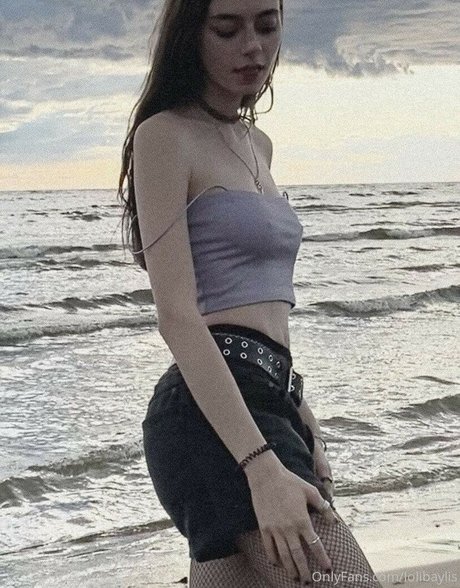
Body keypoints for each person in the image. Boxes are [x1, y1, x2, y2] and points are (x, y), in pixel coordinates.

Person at [118, 0, 382, 586]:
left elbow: (265, 308)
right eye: (227, 28)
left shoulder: (257, 145)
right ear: (191, 34)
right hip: (211, 419)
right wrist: (260, 464)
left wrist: (303, 417)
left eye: (267, 25)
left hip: (267, 401)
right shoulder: (164, 136)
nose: (253, 47)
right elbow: (178, 316)